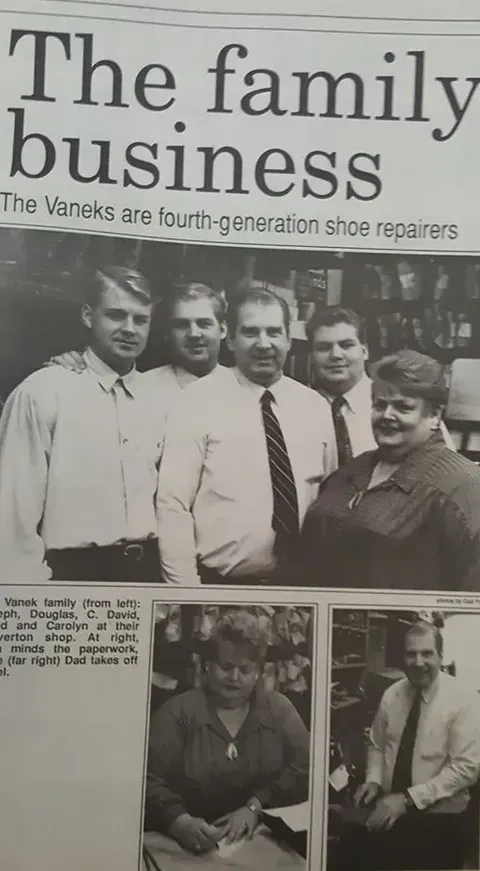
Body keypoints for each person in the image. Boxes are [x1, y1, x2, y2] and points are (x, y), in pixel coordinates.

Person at [156, 286, 337, 585]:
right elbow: (173, 505)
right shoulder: (196, 401)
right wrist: (186, 591)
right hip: (221, 589)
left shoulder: (315, 407)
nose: (263, 344)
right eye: (251, 332)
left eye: (274, 332)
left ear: (289, 339)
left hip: (300, 587)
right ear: (230, 338)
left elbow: (329, 498)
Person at [0, 266, 165, 582]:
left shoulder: (160, 398)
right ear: (89, 316)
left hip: (147, 576)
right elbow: (13, 518)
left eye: (140, 319)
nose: (130, 329)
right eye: (116, 315)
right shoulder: (44, 391)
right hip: (70, 575)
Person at [301, 349, 480, 589]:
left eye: (403, 407)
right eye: (380, 405)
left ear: (434, 416)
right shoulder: (352, 471)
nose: (387, 415)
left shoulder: (463, 486)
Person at [145, 609, 310, 854]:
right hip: (184, 846)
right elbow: (146, 778)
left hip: (258, 842)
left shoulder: (280, 710)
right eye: (226, 666)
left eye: (245, 670)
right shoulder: (176, 713)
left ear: (258, 673)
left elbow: (305, 767)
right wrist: (178, 821)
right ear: (207, 666)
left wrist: (255, 807)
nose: (234, 677)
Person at [334, 621, 480, 871]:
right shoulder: (392, 695)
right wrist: (374, 780)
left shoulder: (465, 700)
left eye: (426, 653)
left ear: (441, 656)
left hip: (440, 820)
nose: (418, 662)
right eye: (411, 654)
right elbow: (377, 743)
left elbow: (466, 769)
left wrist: (407, 800)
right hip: (390, 809)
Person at [306, 304, 454, 464]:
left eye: (346, 345)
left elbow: (447, 471)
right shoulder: (301, 409)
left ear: (364, 351)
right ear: (311, 356)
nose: (336, 355)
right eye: (324, 347)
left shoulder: (404, 404)